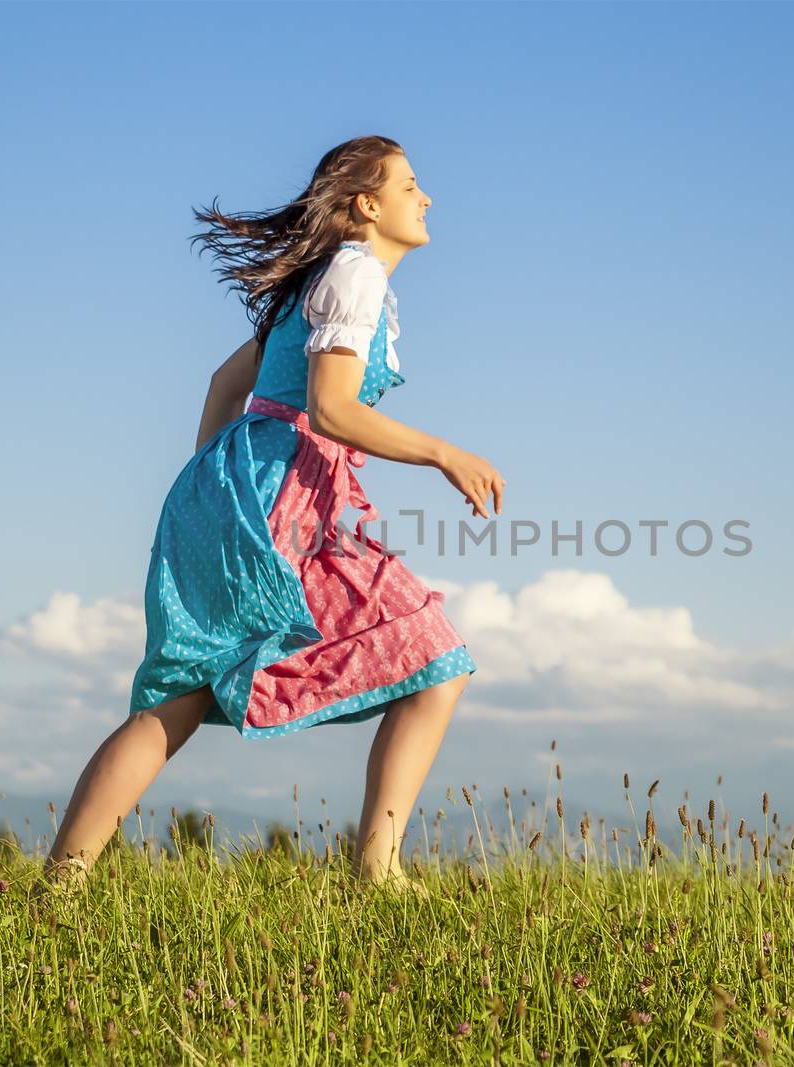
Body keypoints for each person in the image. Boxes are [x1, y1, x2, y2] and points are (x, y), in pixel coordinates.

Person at [31, 136, 503, 901]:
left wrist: (213, 487)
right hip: (284, 495)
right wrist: (445, 453)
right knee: (435, 656)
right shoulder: (353, 274)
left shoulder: (320, 279)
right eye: (411, 185)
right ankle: (376, 872)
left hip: (234, 488)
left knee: (178, 697)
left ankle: (59, 886)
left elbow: (226, 383)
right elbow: (333, 409)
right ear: (366, 205)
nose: (427, 198)